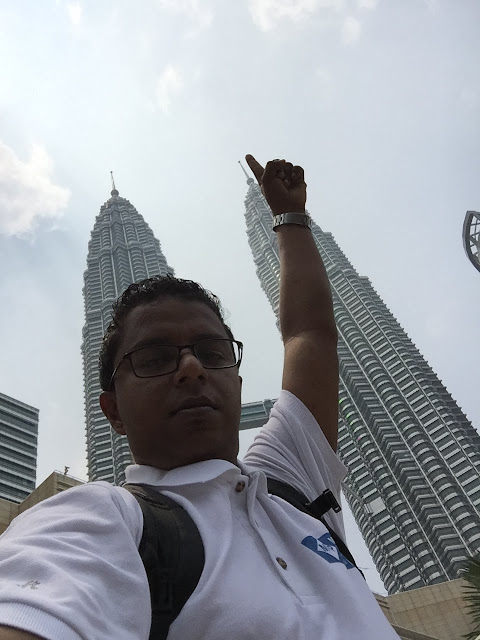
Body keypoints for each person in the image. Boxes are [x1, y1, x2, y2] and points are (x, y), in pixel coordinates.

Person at [0, 156, 400, 639]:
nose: (192, 368)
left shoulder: (293, 479)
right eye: (154, 358)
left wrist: (290, 217)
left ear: (238, 380)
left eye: (211, 352)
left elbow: (309, 334)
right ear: (113, 411)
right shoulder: (102, 522)